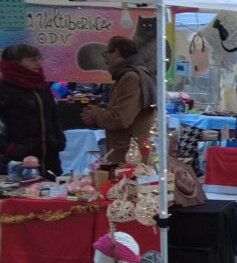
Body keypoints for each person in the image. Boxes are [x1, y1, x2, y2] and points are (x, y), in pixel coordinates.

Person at [81, 36, 156, 164]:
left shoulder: (131, 78)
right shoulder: (129, 76)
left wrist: (96, 114)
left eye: (106, 53)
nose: (105, 60)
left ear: (116, 53)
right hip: (128, 150)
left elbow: (121, 118)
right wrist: (96, 117)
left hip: (128, 154)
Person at [0, 44, 65, 178]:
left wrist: (59, 139)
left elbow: (53, 116)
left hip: (49, 160)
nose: (38, 63)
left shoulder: (42, 86)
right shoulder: (4, 88)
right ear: (16, 63)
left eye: (39, 59)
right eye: (32, 60)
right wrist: (10, 149)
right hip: (17, 163)